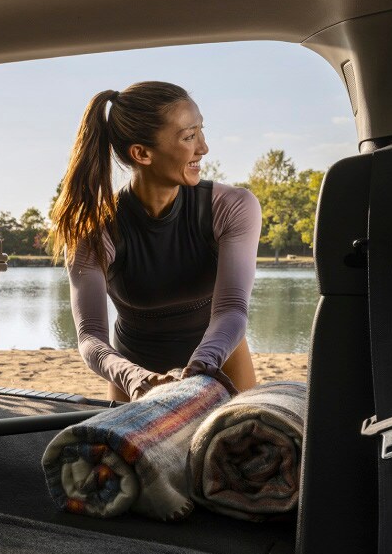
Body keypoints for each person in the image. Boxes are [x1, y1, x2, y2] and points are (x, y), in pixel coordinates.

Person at [48, 81, 261, 402]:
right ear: (142, 153)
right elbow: (90, 336)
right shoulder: (93, 229)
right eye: (189, 136)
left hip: (221, 359)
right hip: (133, 370)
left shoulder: (232, 206)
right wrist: (133, 377)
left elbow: (232, 309)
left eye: (201, 131)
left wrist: (202, 366)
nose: (203, 147)